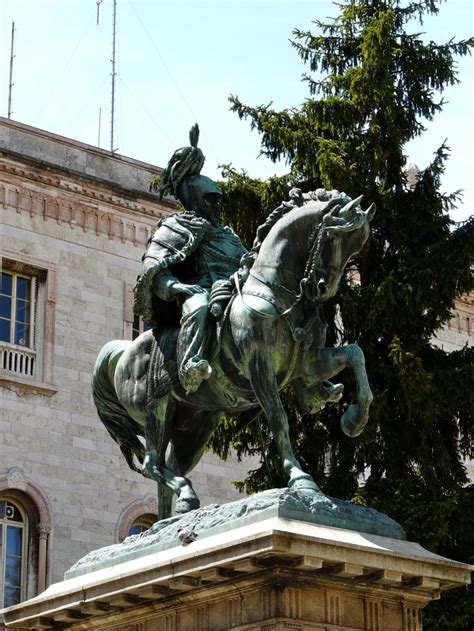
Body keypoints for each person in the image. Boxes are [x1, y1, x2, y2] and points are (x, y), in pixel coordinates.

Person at [134, 126, 247, 393]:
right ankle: (190, 365)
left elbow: (246, 262)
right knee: (199, 308)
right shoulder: (176, 226)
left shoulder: (228, 235)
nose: (218, 206)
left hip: (232, 289)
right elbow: (155, 270)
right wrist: (179, 287)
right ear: (196, 198)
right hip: (199, 290)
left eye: (219, 200)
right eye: (211, 199)